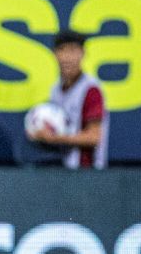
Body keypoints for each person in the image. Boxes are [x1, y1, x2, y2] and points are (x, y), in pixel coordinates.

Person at [28, 31, 108, 168]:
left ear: (83, 53)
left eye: (72, 50)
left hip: (89, 171)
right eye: (62, 50)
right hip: (65, 169)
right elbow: (60, 128)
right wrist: (38, 133)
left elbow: (94, 137)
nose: (67, 57)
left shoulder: (91, 89)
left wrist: (54, 138)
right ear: (55, 54)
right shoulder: (56, 90)